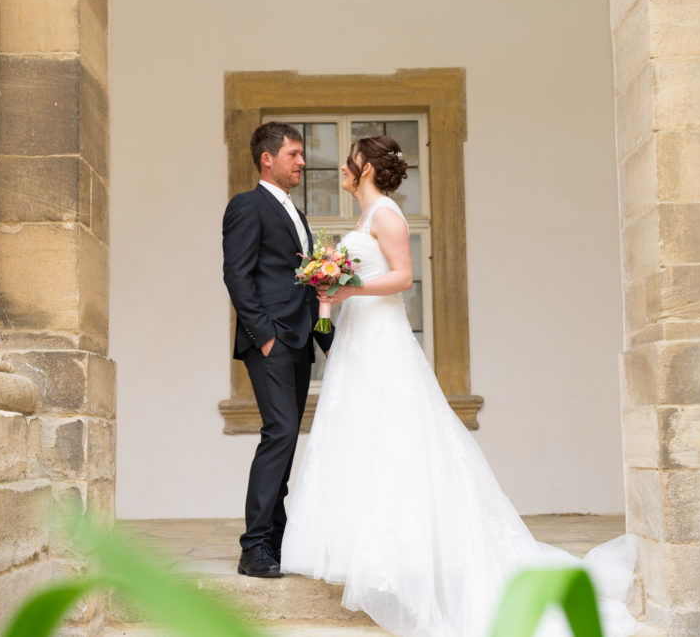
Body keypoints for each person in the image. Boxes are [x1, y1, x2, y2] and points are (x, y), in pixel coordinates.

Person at [281, 135, 637, 636]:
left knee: (396, 431)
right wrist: (332, 295)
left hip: (383, 338)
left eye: (349, 160)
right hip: (359, 336)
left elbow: (404, 276)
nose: (342, 165)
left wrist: (347, 287)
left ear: (365, 169)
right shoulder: (365, 219)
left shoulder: (386, 215)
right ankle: (354, 542)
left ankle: (407, 549)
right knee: (358, 430)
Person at [222, 122, 334, 578]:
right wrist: (264, 333)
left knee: (286, 440)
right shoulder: (246, 206)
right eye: (294, 153)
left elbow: (310, 285)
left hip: (300, 339)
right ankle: (254, 547)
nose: (302, 162)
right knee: (281, 433)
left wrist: (328, 340)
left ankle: (277, 537)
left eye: (302, 154)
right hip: (269, 340)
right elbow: (237, 275)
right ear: (267, 158)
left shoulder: (298, 216)